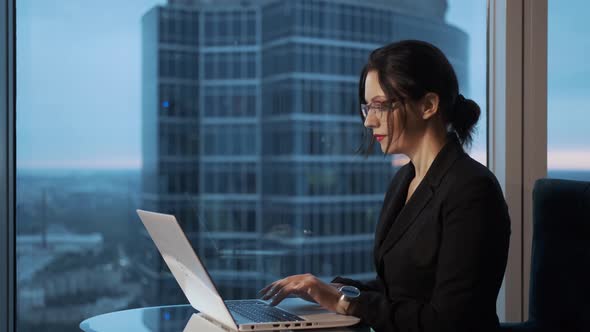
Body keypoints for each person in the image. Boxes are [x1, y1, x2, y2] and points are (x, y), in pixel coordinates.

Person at [259, 40, 511, 332]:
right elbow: (401, 289)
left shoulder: (472, 190)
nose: (368, 121)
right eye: (366, 108)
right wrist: (328, 289)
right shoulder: (405, 179)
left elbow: (449, 321)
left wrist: (345, 302)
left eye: (379, 106)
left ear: (428, 105)